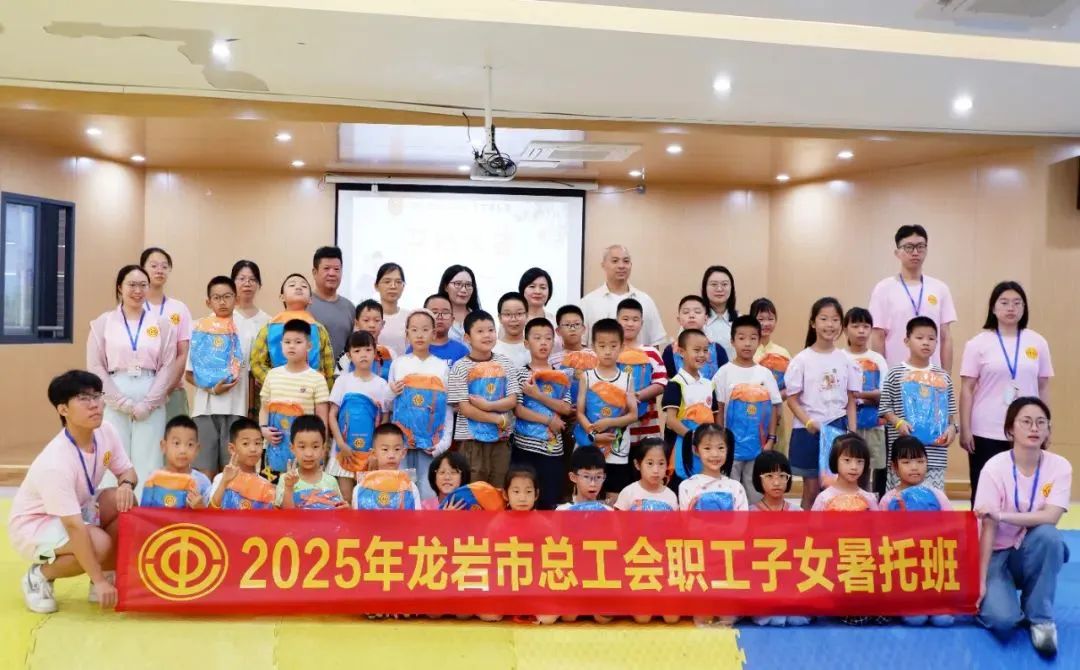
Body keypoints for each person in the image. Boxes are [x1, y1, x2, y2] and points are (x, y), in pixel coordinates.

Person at [10, 370, 137, 613]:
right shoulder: (56, 462)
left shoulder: (106, 431)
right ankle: (39, 575)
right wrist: (98, 578)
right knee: (99, 544)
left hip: (78, 507)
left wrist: (126, 485)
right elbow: (74, 527)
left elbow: (128, 472)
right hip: (36, 524)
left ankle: (104, 576)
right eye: (83, 399)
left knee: (124, 502)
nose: (95, 405)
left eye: (97, 396)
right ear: (63, 409)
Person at [975, 397, 1070, 657]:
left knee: (1050, 537)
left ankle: (1040, 618)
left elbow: (1051, 517)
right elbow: (988, 528)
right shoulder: (993, 468)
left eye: (1041, 422)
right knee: (1003, 621)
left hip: (1029, 549)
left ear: (1048, 429)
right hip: (996, 553)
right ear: (1010, 430)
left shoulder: (1060, 466)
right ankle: (1000, 596)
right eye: (1026, 422)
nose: (1034, 428)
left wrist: (1002, 515)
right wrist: (980, 581)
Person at [86, 265, 177, 493]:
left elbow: (167, 366)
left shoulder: (161, 324)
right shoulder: (103, 323)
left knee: (149, 455)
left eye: (143, 285)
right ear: (120, 287)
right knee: (112, 455)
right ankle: (110, 505)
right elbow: (96, 366)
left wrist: (149, 403)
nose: (138, 290)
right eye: (132, 284)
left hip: (151, 393)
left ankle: (144, 507)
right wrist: (120, 401)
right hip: (114, 391)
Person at [961, 281, 1053, 504]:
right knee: (984, 490)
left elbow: (1043, 387)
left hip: (1028, 428)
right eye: (1004, 302)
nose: (1011, 308)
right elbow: (967, 388)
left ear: (1024, 308)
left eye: (1017, 303)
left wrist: (1047, 425)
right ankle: (982, 528)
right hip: (986, 428)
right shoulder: (978, 343)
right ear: (993, 308)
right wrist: (965, 428)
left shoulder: (1037, 342)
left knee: (1024, 490)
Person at [785, 297, 859, 510]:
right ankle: (808, 528)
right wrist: (809, 423)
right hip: (808, 431)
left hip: (838, 428)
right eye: (824, 319)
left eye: (835, 320)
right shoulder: (801, 360)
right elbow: (792, 400)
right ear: (813, 323)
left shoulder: (845, 360)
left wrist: (852, 434)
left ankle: (832, 528)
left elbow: (851, 400)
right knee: (811, 490)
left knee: (835, 488)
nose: (830, 325)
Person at [879, 317, 958, 491]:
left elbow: (951, 416)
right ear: (907, 341)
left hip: (934, 457)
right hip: (903, 457)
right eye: (919, 337)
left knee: (931, 501)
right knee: (900, 502)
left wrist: (952, 429)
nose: (926, 342)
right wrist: (898, 422)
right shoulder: (895, 373)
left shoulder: (943, 376)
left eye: (931, 338)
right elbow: (884, 409)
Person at [713, 316, 782, 504]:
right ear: (732, 341)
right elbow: (719, 409)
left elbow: (774, 408)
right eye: (741, 338)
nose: (747, 343)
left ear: (759, 341)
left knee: (755, 492)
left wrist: (771, 440)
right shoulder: (723, 373)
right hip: (731, 447)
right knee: (731, 491)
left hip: (759, 447)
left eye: (753, 338)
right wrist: (721, 441)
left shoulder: (765, 374)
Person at [869, 225, 957, 370]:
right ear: (897, 253)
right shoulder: (883, 289)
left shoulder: (940, 288)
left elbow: (945, 337)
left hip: (932, 376)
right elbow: (878, 336)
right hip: (896, 374)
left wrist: (946, 376)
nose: (915, 252)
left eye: (920, 247)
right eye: (909, 247)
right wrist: (882, 377)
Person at [449, 310, 521, 487]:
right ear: (467, 337)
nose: (487, 335)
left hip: (501, 439)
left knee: (499, 488)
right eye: (480, 331)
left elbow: (512, 400)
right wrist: (497, 419)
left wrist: (487, 405)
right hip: (472, 441)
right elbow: (465, 408)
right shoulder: (460, 367)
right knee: (474, 489)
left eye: (491, 330)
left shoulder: (505, 363)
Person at [388, 310, 453, 499]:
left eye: (425, 330)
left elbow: (447, 407)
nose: (420, 335)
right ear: (407, 333)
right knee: (402, 491)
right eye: (414, 330)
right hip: (401, 444)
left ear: (433, 334)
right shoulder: (398, 364)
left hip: (430, 445)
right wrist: (391, 392)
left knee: (428, 493)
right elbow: (388, 405)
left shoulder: (441, 366)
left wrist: (443, 443)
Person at [185, 276, 245, 478]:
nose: (222, 302)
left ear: (236, 299)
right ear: (208, 302)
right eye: (217, 297)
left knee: (233, 472)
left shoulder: (247, 330)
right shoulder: (199, 328)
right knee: (205, 471)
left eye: (227, 296)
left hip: (237, 408)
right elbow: (189, 374)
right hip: (205, 409)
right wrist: (211, 389)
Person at [512, 318, 574, 510]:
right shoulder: (520, 373)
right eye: (537, 338)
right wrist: (548, 420)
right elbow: (518, 410)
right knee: (523, 503)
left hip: (552, 450)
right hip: (524, 449)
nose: (543, 343)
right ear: (526, 343)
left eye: (548, 338)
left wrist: (537, 395)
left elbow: (566, 408)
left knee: (549, 502)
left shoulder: (562, 376)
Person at [258, 319, 331, 481]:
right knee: (271, 491)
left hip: (306, 453)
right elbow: (264, 408)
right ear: (281, 344)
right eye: (287, 342)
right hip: (274, 448)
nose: (292, 346)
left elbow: (322, 419)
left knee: (303, 491)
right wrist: (263, 429)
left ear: (309, 346)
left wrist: (322, 450)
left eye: (298, 342)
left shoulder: (317, 379)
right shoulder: (273, 375)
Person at [576, 319, 638, 501]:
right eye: (602, 346)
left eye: (613, 346)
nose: (608, 351)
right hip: (589, 446)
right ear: (593, 347)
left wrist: (610, 422)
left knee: (613, 498)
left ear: (622, 347)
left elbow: (633, 414)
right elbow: (579, 412)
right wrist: (593, 434)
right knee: (585, 495)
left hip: (617, 449)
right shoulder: (587, 376)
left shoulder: (627, 379)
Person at [328, 331, 394, 502]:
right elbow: (332, 415)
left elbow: (384, 420)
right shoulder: (342, 381)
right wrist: (341, 444)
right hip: (344, 452)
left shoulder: (382, 385)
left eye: (367, 350)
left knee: (366, 498)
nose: (363, 355)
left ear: (375, 352)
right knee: (346, 498)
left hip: (369, 454)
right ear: (349, 355)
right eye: (357, 351)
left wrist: (376, 451)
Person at [750, 451, 810, 627]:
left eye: (782, 476)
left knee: (799, 615)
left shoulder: (798, 513)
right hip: (763, 578)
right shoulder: (749, 513)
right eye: (769, 476)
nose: (776, 482)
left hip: (792, 577)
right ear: (758, 479)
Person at [250, 273, 336, 389]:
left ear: (310, 299)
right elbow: (257, 363)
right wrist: (275, 381)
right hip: (279, 391)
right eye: (292, 285)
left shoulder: (319, 329)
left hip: (311, 391)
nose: (298, 287)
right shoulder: (269, 328)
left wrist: (325, 390)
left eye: (304, 286)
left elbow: (329, 367)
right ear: (282, 297)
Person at [140, 247, 193, 421]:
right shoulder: (133, 308)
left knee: (178, 436)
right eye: (154, 265)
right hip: (140, 390)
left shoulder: (179, 308)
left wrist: (165, 389)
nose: (159, 270)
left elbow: (183, 353)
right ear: (142, 268)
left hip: (173, 390)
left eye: (164, 266)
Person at [579, 245, 666, 347]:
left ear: (631, 265)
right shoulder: (588, 302)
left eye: (626, 261)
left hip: (638, 357)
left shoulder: (645, 301)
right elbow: (581, 344)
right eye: (615, 261)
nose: (621, 266)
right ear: (603, 265)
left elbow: (655, 344)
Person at [662, 328, 717, 487]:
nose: (702, 355)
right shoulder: (676, 384)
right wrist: (694, 438)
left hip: (704, 450)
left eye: (705, 350)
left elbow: (714, 419)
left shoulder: (709, 384)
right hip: (680, 449)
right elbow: (671, 421)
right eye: (696, 350)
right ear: (681, 352)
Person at [843, 307, 889, 498]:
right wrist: (860, 396)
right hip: (844, 426)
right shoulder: (840, 357)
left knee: (868, 472)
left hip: (873, 425)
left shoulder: (877, 359)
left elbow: (884, 394)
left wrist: (857, 394)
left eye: (865, 326)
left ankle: (868, 507)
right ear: (845, 330)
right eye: (855, 326)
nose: (861, 331)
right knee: (846, 471)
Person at [616, 298, 668, 455]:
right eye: (625, 319)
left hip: (647, 426)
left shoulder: (651, 352)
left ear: (642, 323)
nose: (630, 324)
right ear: (617, 321)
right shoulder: (612, 352)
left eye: (635, 319)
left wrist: (637, 396)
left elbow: (661, 383)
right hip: (617, 425)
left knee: (647, 461)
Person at [140, 416, 212, 509]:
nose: (183, 450)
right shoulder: (154, 479)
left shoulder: (202, 482)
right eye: (176, 443)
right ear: (163, 446)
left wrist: (201, 507)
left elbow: (211, 516)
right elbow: (144, 513)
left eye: (190, 444)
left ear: (197, 449)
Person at [277, 415, 347, 510]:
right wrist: (289, 487)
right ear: (292, 448)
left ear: (323, 448)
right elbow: (286, 514)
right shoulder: (285, 480)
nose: (309, 454)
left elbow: (338, 509)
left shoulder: (331, 481)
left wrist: (345, 509)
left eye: (315, 446)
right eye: (302, 447)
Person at [751, 297, 792, 455]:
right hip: (751, 413)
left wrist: (777, 397)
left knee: (776, 456)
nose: (766, 323)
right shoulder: (747, 351)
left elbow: (792, 385)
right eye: (760, 319)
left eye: (770, 319)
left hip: (777, 413)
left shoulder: (783, 353)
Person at [231, 260, 270, 418]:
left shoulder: (268, 321)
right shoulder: (222, 318)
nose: (247, 283)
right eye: (242, 278)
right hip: (231, 386)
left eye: (252, 279)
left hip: (257, 386)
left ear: (259, 285)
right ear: (232, 283)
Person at [208, 418, 274, 510]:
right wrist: (224, 483)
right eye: (245, 443)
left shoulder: (266, 485)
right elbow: (210, 512)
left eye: (257, 443)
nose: (253, 449)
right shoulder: (222, 479)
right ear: (232, 449)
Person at [352, 424, 423, 510]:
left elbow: (416, 516)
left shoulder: (410, 487)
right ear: (374, 453)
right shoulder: (361, 488)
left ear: (403, 453)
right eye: (385, 449)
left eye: (397, 449)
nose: (391, 455)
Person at [678, 423, 747, 511]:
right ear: (696, 450)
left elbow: (743, 519)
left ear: (727, 449)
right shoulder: (687, 487)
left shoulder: (736, 487)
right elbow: (685, 519)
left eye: (721, 448)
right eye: (707, 448)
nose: (715, 454)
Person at [661, 295, 729, 380]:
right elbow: (666, 381)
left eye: (697, 312)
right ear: (679, 319)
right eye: (686, 312)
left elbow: (725, 379)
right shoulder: (670, 351)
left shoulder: (718, 350)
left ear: (706, 318)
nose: (691, 316)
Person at [308, 246, 356, 360]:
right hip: (312, 370)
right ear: (315, 272)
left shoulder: (349, 307)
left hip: (343, 371)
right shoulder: (304, 304)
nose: (332, 273)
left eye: (336, 269)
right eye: (326, 268)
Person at [811, 433, 877, 511]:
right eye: (847, 460)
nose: (854, 467)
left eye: (859, 461)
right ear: (835, 461)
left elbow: (877, 519)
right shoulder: (824, 498)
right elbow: (814, 519)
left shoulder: (869, 499)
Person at [335, 300, 396, 380]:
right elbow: (340, 382)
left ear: (382, 324)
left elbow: (395, 381)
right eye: (366, 320)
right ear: (356, 323)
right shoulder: (347, 355)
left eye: (377, 320)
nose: (372, 325)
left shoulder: (390, 353)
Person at [415, 293, 469, 367]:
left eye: (445, 313)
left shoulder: (462, 351)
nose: (440, 317)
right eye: (434, 312)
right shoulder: (414, 348)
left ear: (452, 320)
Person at [374, 262, 412, 357]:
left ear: (403, 286)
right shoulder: (367, 317)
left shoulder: (410, 317)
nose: (393, 286)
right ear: (376, 286)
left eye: (398, 282)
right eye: (387, 282)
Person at [556, 446, 611, 510]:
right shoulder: (562, 511)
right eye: (586, 476)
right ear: (573, 477)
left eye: (598, 477)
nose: (593, 484)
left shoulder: (608, 511)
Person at [701, 265, 738, 361]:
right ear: (705, 288)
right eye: (714, 284)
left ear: (731, 288)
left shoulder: (740, 320)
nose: (719, 289)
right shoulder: (695, 320)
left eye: (724, 284)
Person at [438, 264, 480, 343]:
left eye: (468, 285)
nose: (464, 290)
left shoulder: (480, 318)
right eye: (457, 284)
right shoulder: (435, 317)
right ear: (446, 287)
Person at [493, 292, 531, 368]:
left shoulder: (535, 347)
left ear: (527, 316)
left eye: (519, 313)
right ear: (500, 318)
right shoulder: (493, 350)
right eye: (507, 314)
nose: (513, 319)